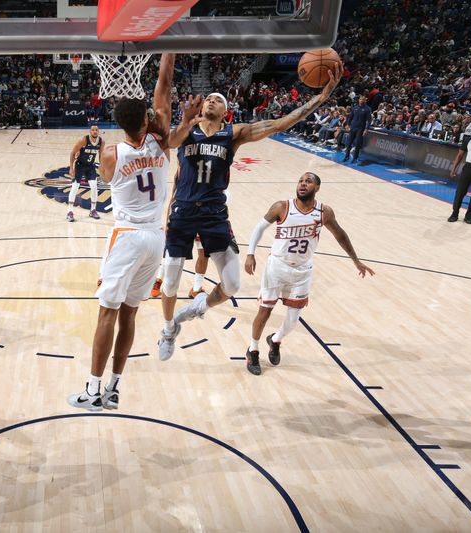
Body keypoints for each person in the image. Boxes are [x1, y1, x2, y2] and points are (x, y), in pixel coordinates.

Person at [158, 65, 344, 362]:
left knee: (232, 285)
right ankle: (168, 329)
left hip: (214, 214)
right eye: (209, 99)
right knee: (169, 281)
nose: (211, 101)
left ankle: (199, 307)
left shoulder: (234, 134)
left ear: (226, 112)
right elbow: (171, 143)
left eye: (218, 100)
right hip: (182, 211)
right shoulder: (187, 130)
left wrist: (320, 97)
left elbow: (281, 123)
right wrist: (184, 120)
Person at [67, 53, 176, 411]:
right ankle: (114, 386)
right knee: (130, 313)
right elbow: (164, 86)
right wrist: (169, 48)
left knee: (106, 314)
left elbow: (103, 178)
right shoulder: (162, 143)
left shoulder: (111, 154)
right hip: (155, 239)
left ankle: (93, 390)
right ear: (147, 119)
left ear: (118, 124)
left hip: (127, 235)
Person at [243, 172, 375, 374]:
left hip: (302, 271)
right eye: (301, 181)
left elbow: (340, 235)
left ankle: (276, 339)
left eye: (309, 181)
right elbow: (258, 229)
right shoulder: (282, 206)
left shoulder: (324, 212)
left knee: (293, 320)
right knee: (265, 310)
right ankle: (252, 350)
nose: (303, 184)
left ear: (317, 188)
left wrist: (355, 260)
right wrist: (250, 254)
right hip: (277, 267)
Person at [67, 124, 104, 221]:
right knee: (75, 187)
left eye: (96, 129)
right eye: (93, 130)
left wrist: (102, 166)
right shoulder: (84, 140)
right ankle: (69, 212)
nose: (95, 131)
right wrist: (71, 168)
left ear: (98, 131)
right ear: (90, 131)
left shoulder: (101, 141)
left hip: (90, 166)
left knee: (94, 187)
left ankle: (93, 210)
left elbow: (101, 155)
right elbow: (72, 153)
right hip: (80, 165)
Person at [447, 122, 471, 224]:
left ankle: (469, 216)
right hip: (468, 168)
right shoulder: (468, 139)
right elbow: (460, 155)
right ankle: (454, 214)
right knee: (460, 192)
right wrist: (453, 169)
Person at [343, 95, 372, 163]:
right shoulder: (355, 107)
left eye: (363, 99)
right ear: (359, 100)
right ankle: (346, 156)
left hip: (360, 128)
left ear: (365, 101)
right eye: (360, 99)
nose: (361, 100)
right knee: (349, 143)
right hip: (353, 127)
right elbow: (350, 117)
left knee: (357, 144)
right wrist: (347, 124)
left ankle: (355, 158)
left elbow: (369, 120)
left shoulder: (367, 109)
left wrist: (366, 129)